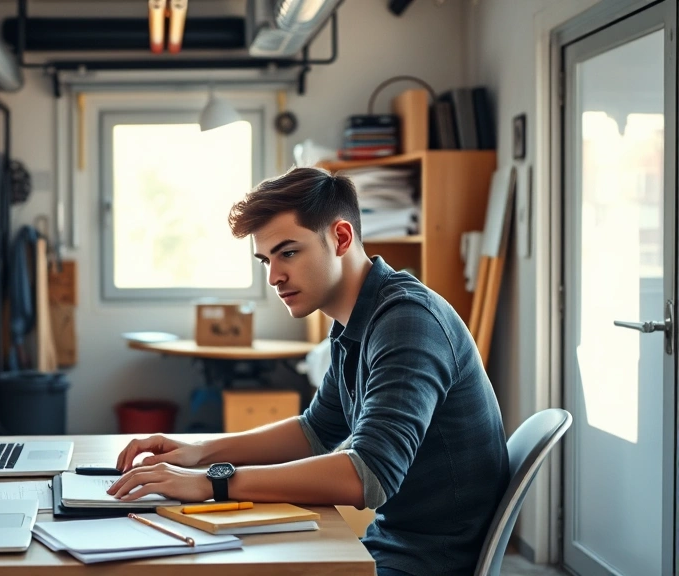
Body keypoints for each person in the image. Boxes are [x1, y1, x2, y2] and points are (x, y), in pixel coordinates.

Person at [108, 167, 509, 576]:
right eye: (266, 259)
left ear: (340, 238)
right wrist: (201, 452)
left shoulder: (407, 322)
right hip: (390, 543)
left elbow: (367, 475)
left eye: (288, 252)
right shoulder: (354, 322)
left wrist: (214, 481)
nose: (274, 277)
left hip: (429, 562)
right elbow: (315, 431)